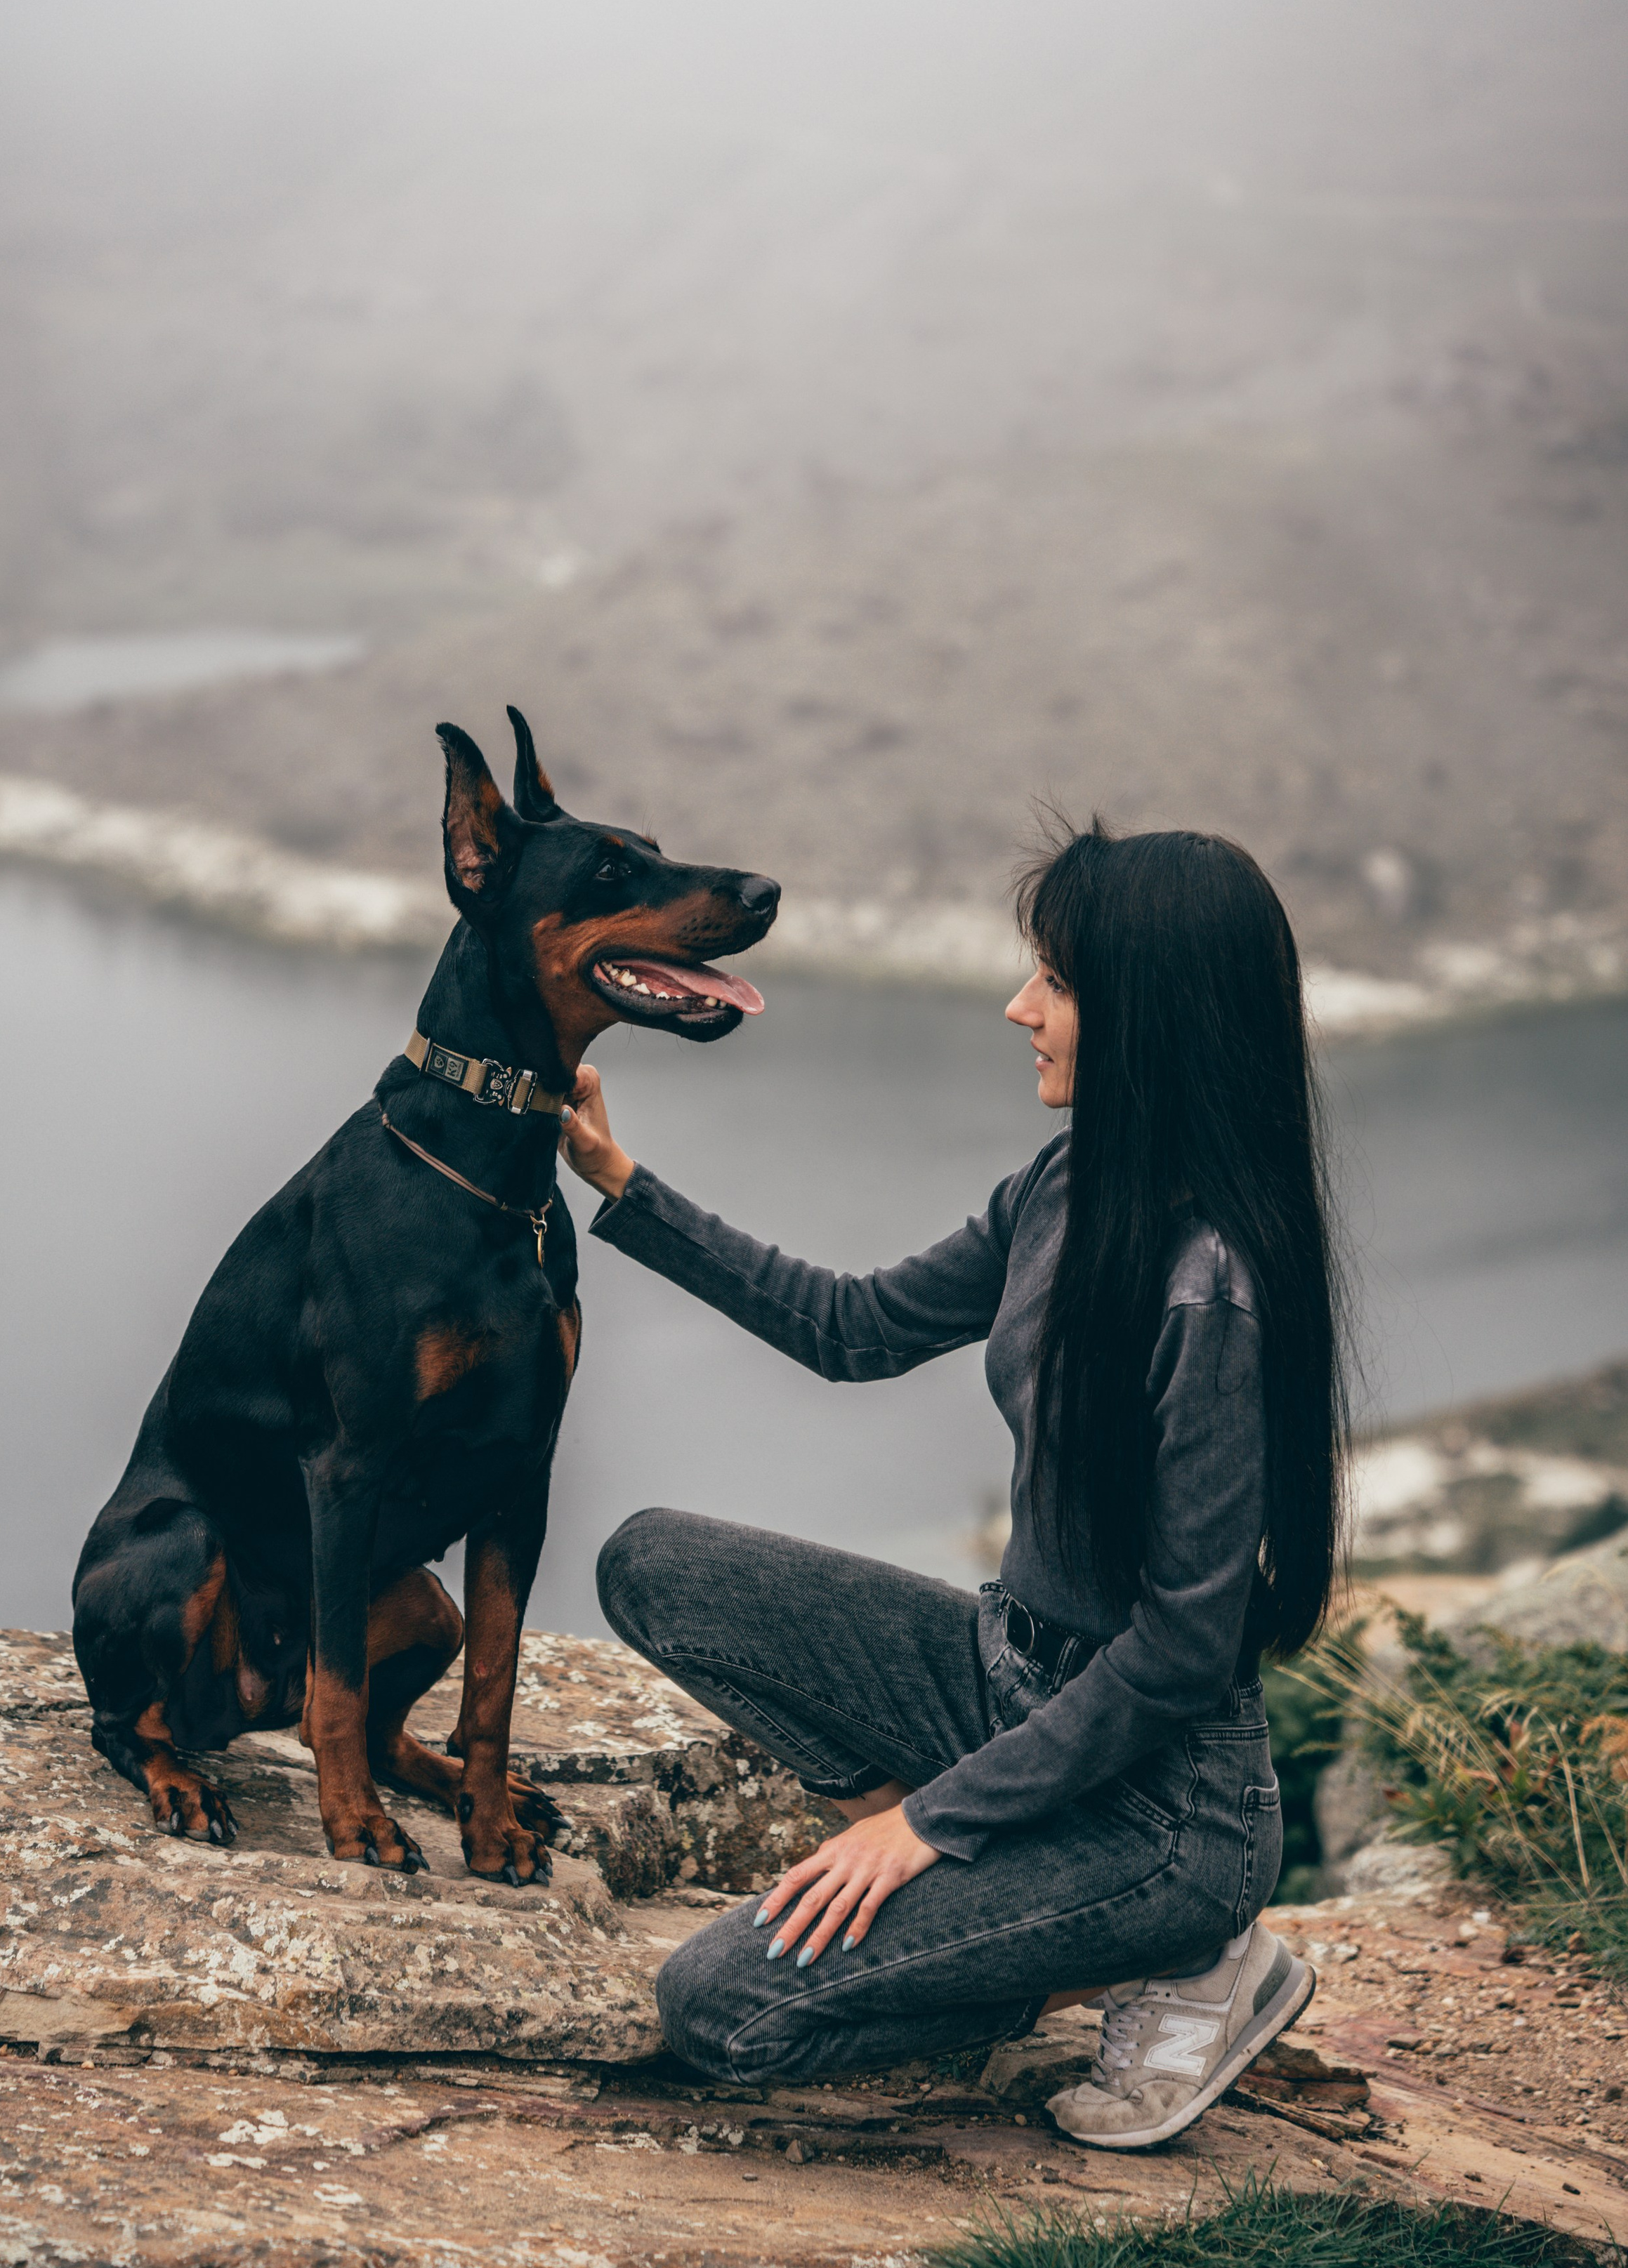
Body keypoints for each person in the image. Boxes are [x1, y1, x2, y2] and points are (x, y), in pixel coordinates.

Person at [556, 817, 1347, 2148]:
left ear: (1151, 1014)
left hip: (1163, 1812)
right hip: (1006, 1678)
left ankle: (1170, 1953)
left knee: (720, 2011)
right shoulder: (1068, 1182)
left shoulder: (1216, 1291)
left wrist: (924, 1829)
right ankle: (994, 1920)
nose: (1019, 1006)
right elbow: (854, 1327)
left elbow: (1178, 1653)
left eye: (1058, 981)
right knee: (653, 1563)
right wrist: (623, 1187)